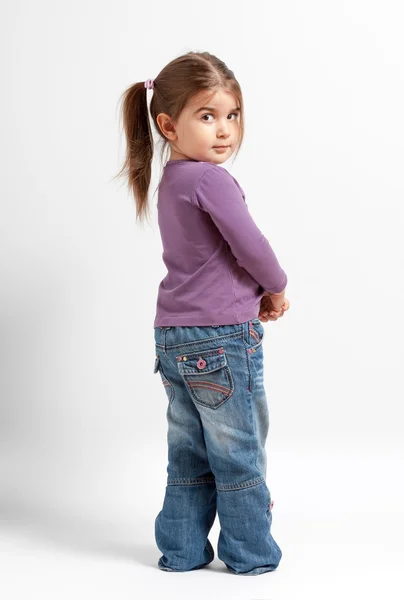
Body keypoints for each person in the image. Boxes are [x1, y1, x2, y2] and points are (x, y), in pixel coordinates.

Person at [116, 51, 290, 576]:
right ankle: (250, 554)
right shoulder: (211, 181)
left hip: (174, 336)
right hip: (222, 338)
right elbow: (249, 245)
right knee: (238, 451)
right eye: (207, 116)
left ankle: (182, 550)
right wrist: (275, 287)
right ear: (168, 125)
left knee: (189, 452)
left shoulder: (175, 179)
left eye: (232, 115)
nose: (224, 131)